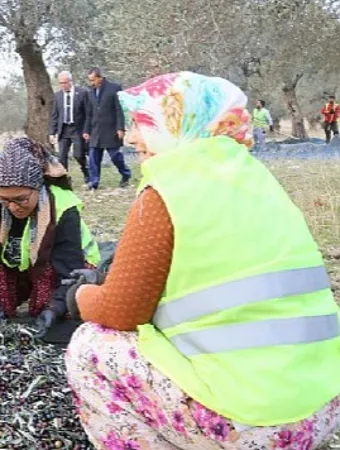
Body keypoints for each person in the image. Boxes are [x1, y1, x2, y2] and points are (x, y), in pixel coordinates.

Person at [64, 71, 340, 449]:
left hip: (256, 424)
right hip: (320, 407)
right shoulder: (257, 179)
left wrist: (81, 296)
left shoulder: (169, 187)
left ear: (177, 123)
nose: (130, 137)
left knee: (90, 345)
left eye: (142, 123)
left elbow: (121, 311)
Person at [0, 137, 100, 338]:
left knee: (49, 309)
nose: (13, 207)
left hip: (62, 266)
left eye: (21, 199)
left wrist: (53, 310)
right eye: (5, 200)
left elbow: (69, 270)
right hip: (16, 261)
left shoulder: (62, 207)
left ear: (38, 187)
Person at [83, 67, 132, 190]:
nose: (92, 83)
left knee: (115, 156)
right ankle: (94, 182)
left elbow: (119, 110)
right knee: (93, 158)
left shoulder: (114, 88)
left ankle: (126, 174)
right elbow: (89, 113)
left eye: (93, 80)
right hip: (95, 131)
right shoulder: (90, 92)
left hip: (111, 130)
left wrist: (120, 128)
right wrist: (86, 130)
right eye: (90, 80)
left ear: (100, 77)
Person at [49, 71, 90, 183]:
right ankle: (64, 180)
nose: (63, 85)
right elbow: (55, 115)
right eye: (60, 83)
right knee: (62, 157)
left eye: (65, 83)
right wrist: (52, 132)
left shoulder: (82, 93)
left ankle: (87, 173)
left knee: (78, 155)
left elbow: (88, 114)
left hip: (77, 129)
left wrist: (87, 130)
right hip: (64, 130)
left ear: (70, 81)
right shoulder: (58, 96)